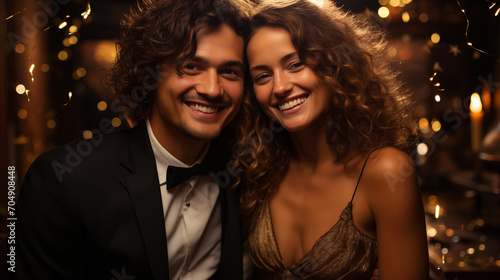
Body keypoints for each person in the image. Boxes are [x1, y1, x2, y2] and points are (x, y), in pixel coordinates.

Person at [3, 0, 253, 279]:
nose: (212, 89)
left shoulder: (247, 171)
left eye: (229, 71)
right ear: (151, 73)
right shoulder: (62, 180)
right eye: (191, 66)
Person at [232, 0, 429, 279]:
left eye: (296, 64)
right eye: (263, 76)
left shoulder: (386, 172)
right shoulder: (258, 171)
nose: (280, 87)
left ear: (333, 64)